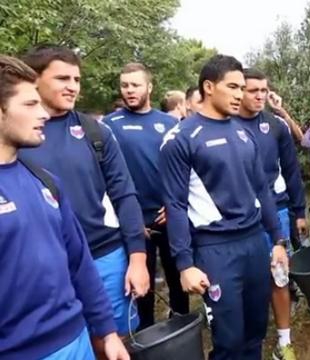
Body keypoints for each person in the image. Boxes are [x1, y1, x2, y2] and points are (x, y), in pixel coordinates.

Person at [19, 45, 149, 354]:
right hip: (46, 266)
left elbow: (124, 193)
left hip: (105, 255)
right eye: (63, 78)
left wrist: (138, 258)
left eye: (77, 79)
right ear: (34, 79)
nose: (73, 87)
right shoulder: (16, 135)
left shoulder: (95, 131)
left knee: (116, 340)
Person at [159, 54, 289, 360]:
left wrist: (278, 240)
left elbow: (262, 189)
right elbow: (175, 205)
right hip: (215, 249)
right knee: (229, 341)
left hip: (255, 243)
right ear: (208, 87)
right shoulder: (180, 139)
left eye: (242, 87)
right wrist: (184, 263)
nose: (240, 94)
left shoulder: (244, 132)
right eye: (232, 87)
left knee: (256, 330)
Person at [102, 63, 187, 331]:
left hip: (169, 216)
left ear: (149, 87)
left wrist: (175, 203)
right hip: (132, 222)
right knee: (142, 286)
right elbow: (103, 176)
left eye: (135, 85)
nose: (129, 90)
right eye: (125, 85)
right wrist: (127, 217)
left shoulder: (170, 123)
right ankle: (147, 337)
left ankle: (182, 329)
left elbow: (184, 171)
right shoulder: (107, 126)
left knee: (177, 279)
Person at [236, 68, 310, 360]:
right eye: (252, 90)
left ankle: (284, 341)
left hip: (276, 211)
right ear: (239, 90)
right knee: (245, 281)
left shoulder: (276, 125)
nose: (259, 95)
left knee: (279, 277)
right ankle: (246, 340)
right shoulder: (225, 124)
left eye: (263, 90)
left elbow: (292, 171)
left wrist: (299, 211)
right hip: (239, 218)